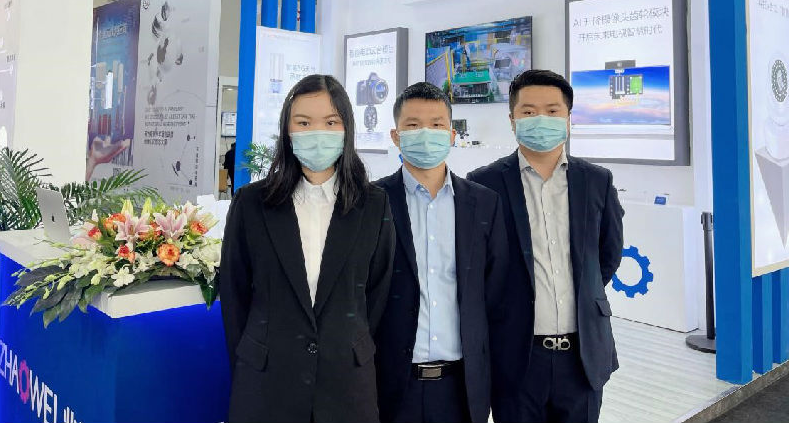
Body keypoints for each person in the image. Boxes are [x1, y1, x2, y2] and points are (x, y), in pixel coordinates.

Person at [220, 74, 396, 423]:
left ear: (347, 129)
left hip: (346, 385)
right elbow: (234, 293)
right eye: (303, 122)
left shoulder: (374, 204)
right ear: (287, 130)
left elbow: (378, 294)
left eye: (330, 122)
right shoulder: (252, 203)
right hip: (267, 384)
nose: (318, 132)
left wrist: (348, 341)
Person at [468, 69, 624, 423]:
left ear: (568, 118)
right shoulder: (483, 185)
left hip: (582, 356)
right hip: (515, 356)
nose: (541, 119)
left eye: (552, 111)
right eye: (528, 111)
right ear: (512, 120)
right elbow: (479, 267)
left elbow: (607, 256)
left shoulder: (596, 181)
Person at [374, 82, 508, 423]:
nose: (425, 133)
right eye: (413, 124)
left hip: (461, 388)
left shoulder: (483, 204)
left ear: (451, 135)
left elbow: (495, 293)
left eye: (436, 125)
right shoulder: (370, 202)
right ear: (395, 136)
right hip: (389, 384)